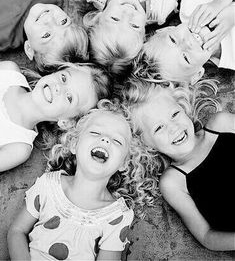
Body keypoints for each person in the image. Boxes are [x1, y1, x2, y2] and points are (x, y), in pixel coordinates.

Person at [7, 100, 158, 260]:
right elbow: (17, 231)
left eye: (117, 141)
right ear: (74, 144)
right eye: (95, 133)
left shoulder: (117, 217)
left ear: (123, 163)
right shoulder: (48, 185)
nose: (105, 140)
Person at [123, 78, 235, 250]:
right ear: (145, 144)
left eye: (174, 114)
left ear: (183, 107)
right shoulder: (173, 182)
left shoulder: (221, 124)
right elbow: (206, 236)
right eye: (158, 128)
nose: (173, 128)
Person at [134, 0, 235, 84]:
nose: (187, 43)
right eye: (186, 58)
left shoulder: (190, 6)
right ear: (197, 74)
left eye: (173, 40)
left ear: (166, 29)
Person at [0, 60, 111, 172]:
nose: (59, 88)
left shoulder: (18, 147)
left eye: (69, 98)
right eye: (64, 78)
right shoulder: (8, 71)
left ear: (66, 122)